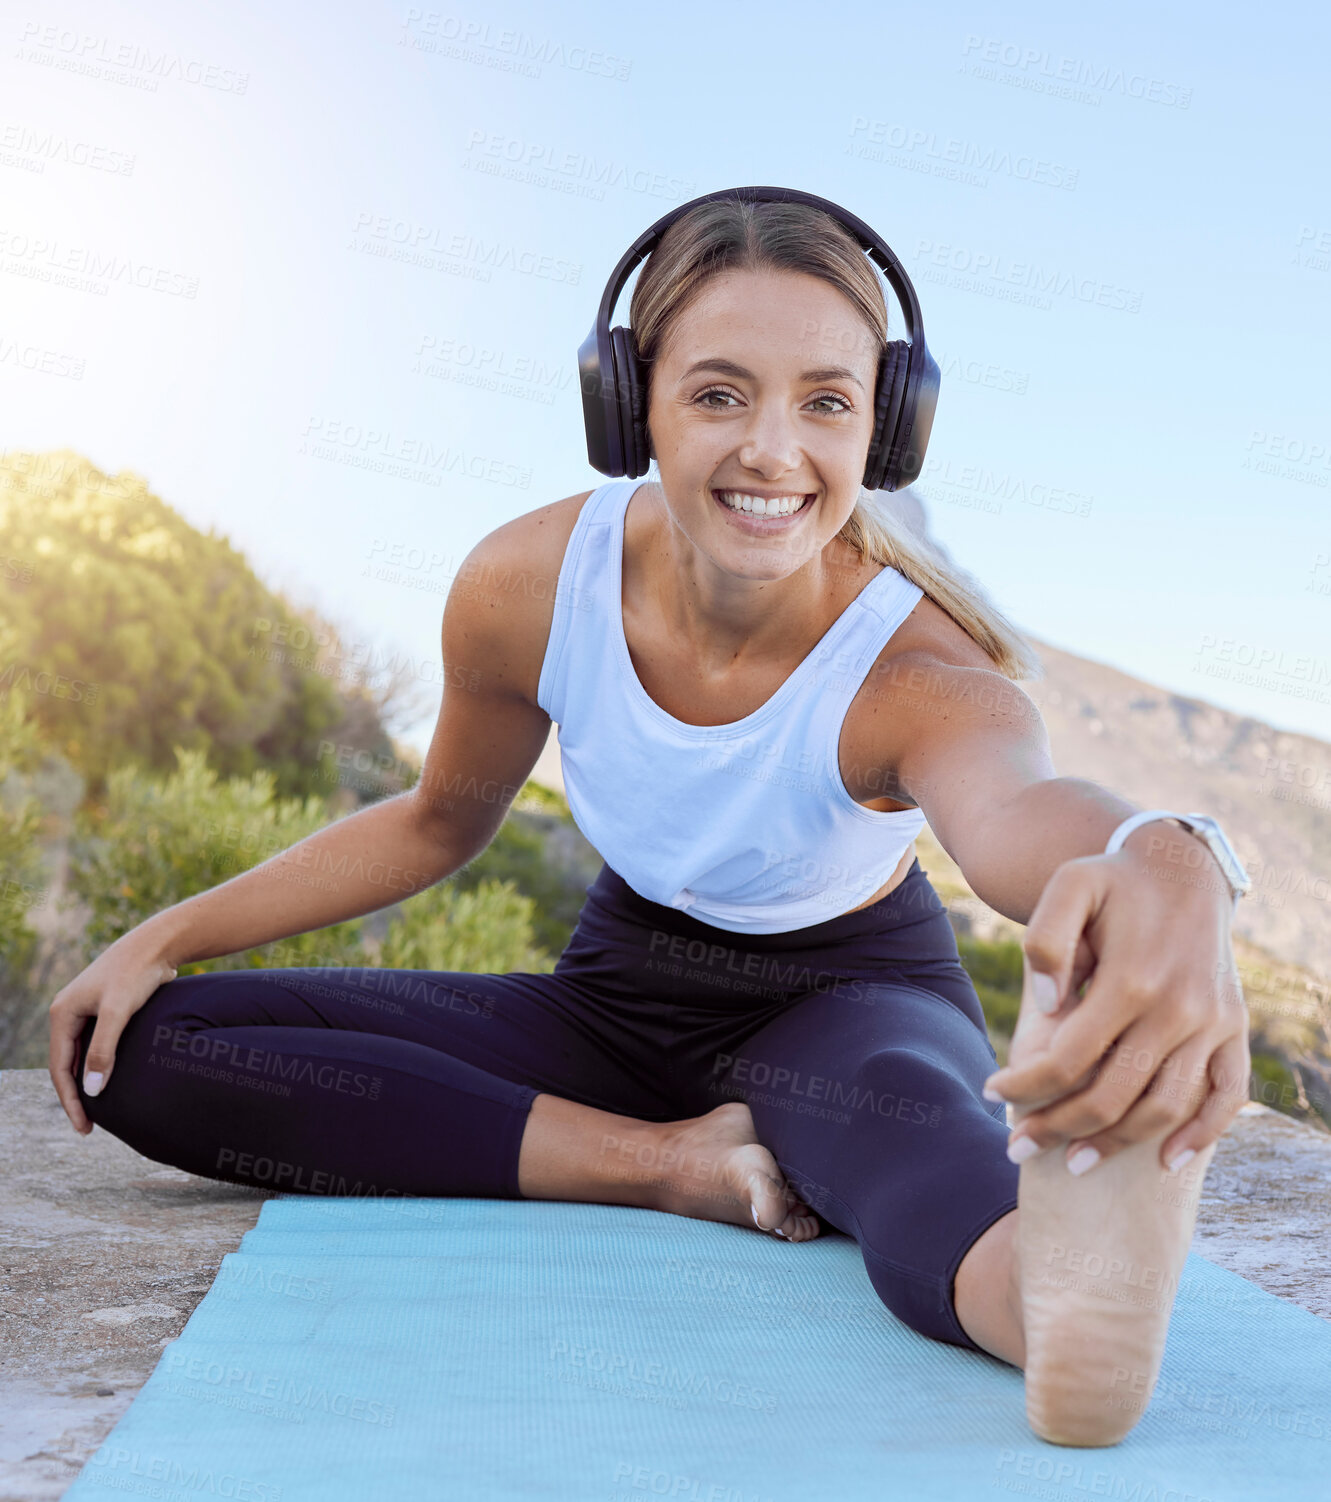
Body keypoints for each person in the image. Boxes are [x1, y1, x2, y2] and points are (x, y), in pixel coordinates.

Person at [48, 194, 1249, 1448]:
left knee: (909, 1133)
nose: (773, 451)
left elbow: (1019, 814)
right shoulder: (525, 586)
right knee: (142, 1047)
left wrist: (1162, 855)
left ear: (885, 430)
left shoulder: (913, 667)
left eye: (825, 403)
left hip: (844, 997)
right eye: (720, 394)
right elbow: (435, 822)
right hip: (614, 993)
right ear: (628, 404)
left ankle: (1059, 1302)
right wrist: (158, 937)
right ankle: (669, 1160)